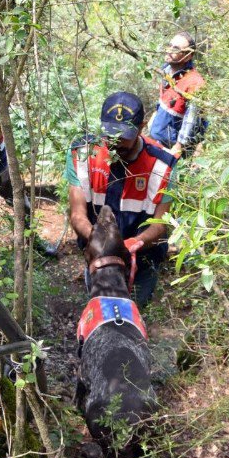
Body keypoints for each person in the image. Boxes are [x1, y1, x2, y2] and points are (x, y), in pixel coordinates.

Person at [66, 91, 177, 308]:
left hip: (143, 257)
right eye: (110, 135)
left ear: (142, 127)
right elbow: (77, 214)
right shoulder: (83, 153)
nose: (115, 143)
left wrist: (134, 244)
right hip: (98, 255)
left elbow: (161, 223)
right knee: (101, 308)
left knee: (134, 309)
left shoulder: (162, 164)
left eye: (123, 136)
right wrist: (101, 243)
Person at [147, 31, 206, 158]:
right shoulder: (166, 71)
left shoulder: (194, 82)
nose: (169, 50)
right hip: (156, 141)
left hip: (171, 150)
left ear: (188, 56)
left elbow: (191, 120)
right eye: (170, 45)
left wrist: (178, 147)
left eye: (176, 48)